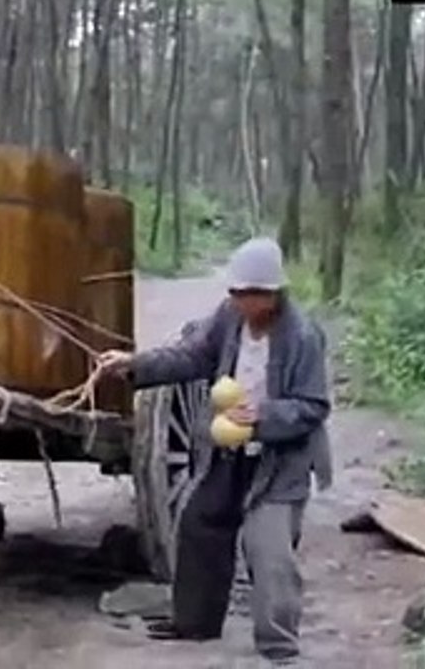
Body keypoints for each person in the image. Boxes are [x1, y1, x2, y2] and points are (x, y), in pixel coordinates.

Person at [100, 236, 332, 666]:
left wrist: (262, 416)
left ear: (271, 294)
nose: (238, 301)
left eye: (248, 294)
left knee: (270, 552)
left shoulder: (302, 336)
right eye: (235, 293)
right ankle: (194, 623)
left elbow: (314, 406)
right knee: (200, 524)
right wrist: (136, 365)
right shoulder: (229, 319)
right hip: (229, 451)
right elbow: (192, 357)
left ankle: (278, 648)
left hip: (279, 464)